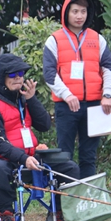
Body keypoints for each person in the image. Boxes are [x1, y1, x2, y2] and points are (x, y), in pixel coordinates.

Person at [0, 53, 80, 221]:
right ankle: (6, 218)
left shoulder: (23, 98)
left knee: (69, 167)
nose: (18, 78)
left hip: (29, 157)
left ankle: (56, 217)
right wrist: (24, 158)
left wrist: (31, 99)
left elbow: (44, 125)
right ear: (1, 77)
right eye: (13, 74)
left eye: (21, 73)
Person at [43, 0, 111, 179]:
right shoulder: (54, 40)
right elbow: (49, 73)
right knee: (64, 155)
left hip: (95, 105)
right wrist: (67, 95)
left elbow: (107, 68)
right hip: (67, 106)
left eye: (83, 11)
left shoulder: (97, 39)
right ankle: (63, 202)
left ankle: (86, 202)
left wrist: (107, 94)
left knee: (88, 156)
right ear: (66, 13)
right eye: (75, 11)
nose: (79, 16)